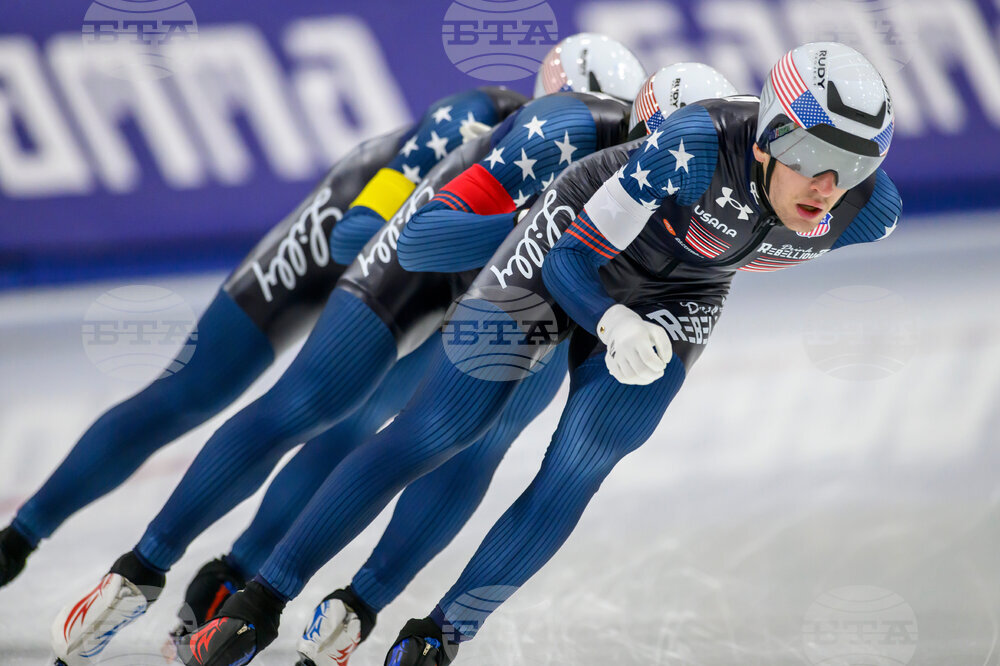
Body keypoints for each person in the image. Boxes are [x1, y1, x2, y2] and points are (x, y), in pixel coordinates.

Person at [179, 42, 901, 666]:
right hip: (571, 246)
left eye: (854, 163)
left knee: (584, 461)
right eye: (811, 154)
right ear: (770, 136)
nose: (829, 187)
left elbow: (797, 212)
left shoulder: (868, 211)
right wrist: (614, 324)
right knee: (443, 428)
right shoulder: (693, 145)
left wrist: (649, 313)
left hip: (683, 287)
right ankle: (262, 596)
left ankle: (441, 634)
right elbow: (570, 265)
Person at [51, 33, 648, 666]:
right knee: (300, 403)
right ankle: (144, 559)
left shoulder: (618, 176)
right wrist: (532, 230)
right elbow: (364, 230)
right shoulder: (479, 116)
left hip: (495, 279)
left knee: (444, 435)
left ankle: (255, 581)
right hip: (396, 249)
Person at [0, 86, 526, 593]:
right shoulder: (476, 113)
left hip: (428, 280)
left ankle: (235, 574)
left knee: (353, 422)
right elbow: (352, 234)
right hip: (338, 241)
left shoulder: (583, 185)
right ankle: (18, 537)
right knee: (191, 393)